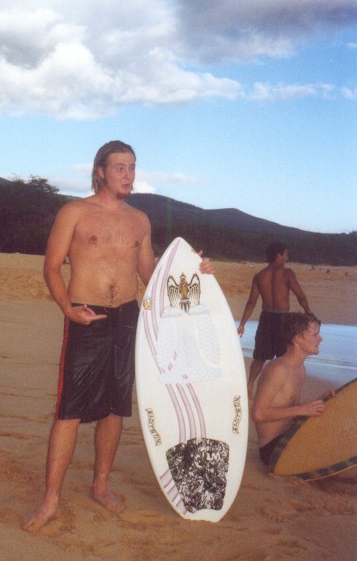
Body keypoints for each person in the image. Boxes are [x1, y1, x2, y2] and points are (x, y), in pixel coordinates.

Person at [22, 140, 213, 532]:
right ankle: (51, 500)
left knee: (115, 407)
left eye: (132, 167)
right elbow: (52, 267)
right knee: (69, 410)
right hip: (87, 317)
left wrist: (194, 270)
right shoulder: (74, 212)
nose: (129, 175)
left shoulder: (139, 220)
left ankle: (100, 486)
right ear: (100, 172)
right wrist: (67, 309)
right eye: (120, 168)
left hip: (127, 316)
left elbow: (151, 275)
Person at [251, 312, 333, 467]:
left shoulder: (299, 368)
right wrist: (302, 409)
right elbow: (258, 414)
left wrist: (318, 402)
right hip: (273, 449)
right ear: (297, 339)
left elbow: (292, 412)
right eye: (315, 335)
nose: (320, 339)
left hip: (290, 436)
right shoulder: (278, 369)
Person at [237, 242, 313, 401]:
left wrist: (243, 324)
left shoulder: (260, 276)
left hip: (266, 319)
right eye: (285, 254)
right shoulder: (287, 274)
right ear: (279, 255)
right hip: (283, 319)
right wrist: (308, 312)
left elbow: (251, 302)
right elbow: (300, 296)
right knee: (286, 357)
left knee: (260, 357)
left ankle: (249, 385)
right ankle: (285, 391)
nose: (287, 257)